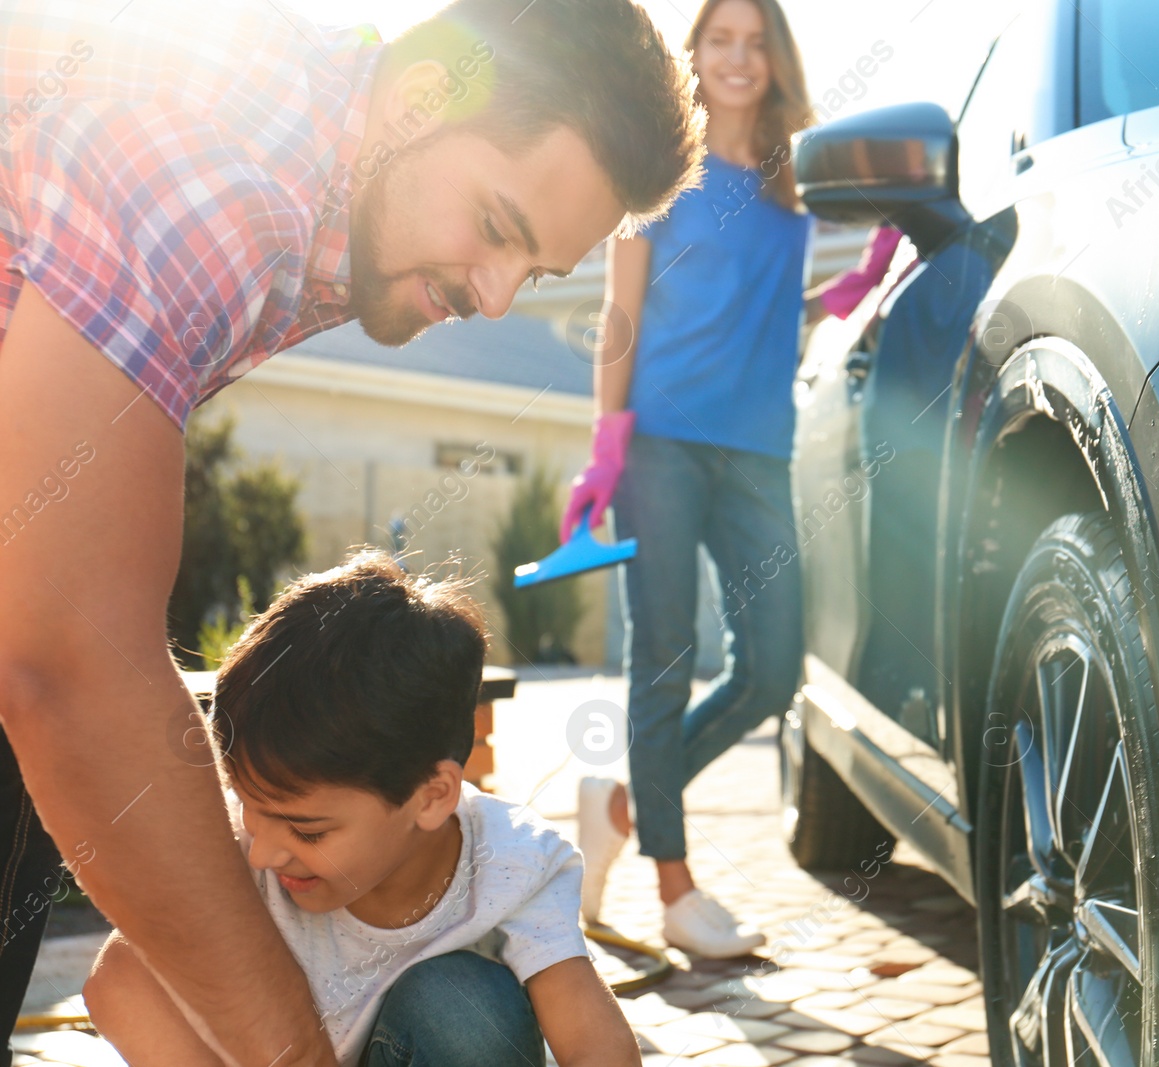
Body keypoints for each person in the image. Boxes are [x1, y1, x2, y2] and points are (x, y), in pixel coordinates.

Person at [0, 0, 703, 1061]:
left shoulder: (340, 186)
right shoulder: (219, 185)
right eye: (499, 226)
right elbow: (67, 663)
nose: (496, 295)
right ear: (419, 103)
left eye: (538, 271)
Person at [562, 0, 898, 959]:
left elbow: (793, 307)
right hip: (660, 442)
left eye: (756, 41)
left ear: (775, 58)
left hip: (758, 451)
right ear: (694, 53)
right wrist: (605, 443)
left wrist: (873, 268)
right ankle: (674, 889)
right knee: (662, 660)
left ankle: (624, 802)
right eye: (721, 38)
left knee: (772, 666)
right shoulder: (658, 174)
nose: (738, 57)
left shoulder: (798, 184)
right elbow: (619, 316)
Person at [83, 551, 637, 1067]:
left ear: (431, 796)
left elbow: (595, 1045)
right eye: (249, 805)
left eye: (307, 831)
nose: (266, 851)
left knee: (464, 1004)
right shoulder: (237, 846)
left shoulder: (513, 863)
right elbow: (121, 978)